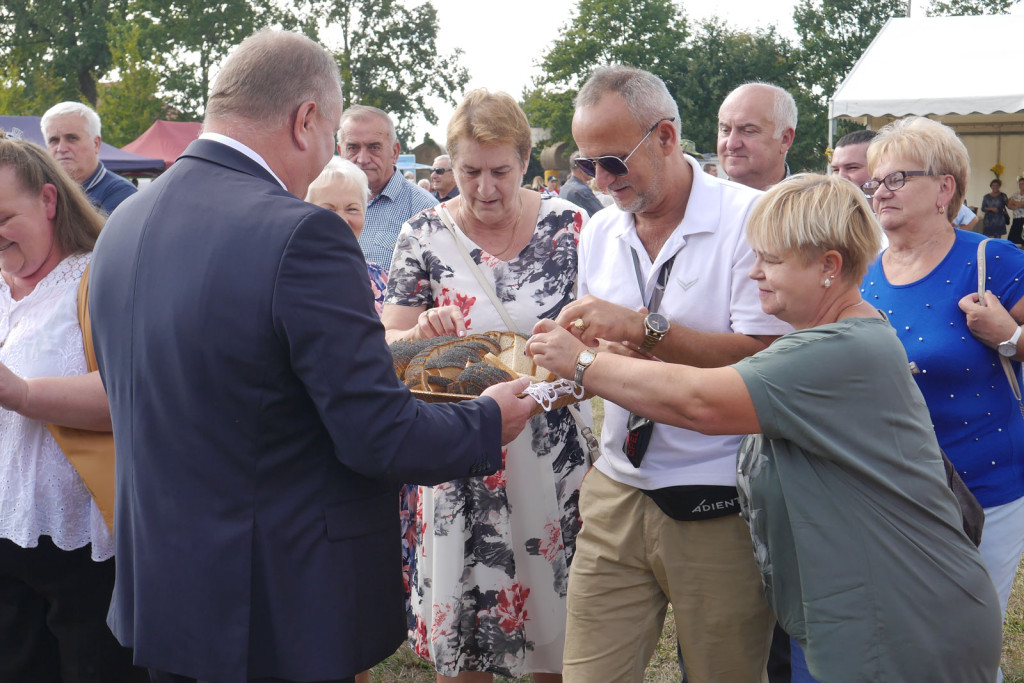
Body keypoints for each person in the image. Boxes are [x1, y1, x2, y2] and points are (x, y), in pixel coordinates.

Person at [88, 30, 534, 683]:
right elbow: (377, 436)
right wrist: (488, 420)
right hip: (276, 603)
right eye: (331, 137)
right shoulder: (303, 234)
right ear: (305, 120)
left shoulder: (124, 222)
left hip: (168, 593)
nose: (330, 158)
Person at [526, 173, 1004, 683]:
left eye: (770, 260)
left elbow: (698, 402)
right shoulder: (843, 336)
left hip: (908, 621)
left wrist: (582, 362)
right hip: (897, 603)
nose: (754, 274)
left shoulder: (834, 351)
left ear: (829, 267)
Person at [557, 65, 790, 683]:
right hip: (617, 486)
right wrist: (588, 358)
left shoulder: (752, 218)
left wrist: (643, 329)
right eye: (586, 167)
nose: (601, 182)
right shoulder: (601, 230)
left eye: (611, 161)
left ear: (666, 136)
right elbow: (602, 347)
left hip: (719, 496)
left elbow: (766, 360)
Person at [381, 89, 591, 682]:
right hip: (459, 452)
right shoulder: (423, 233)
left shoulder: (572, 227)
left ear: (526, 161)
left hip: (551, 454)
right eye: (469, 171)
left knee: (559, 633)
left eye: (500, 171)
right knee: (468, 636)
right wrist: (422, 332)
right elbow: (390, 345)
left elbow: (602, 340)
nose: (484, 188)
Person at [861, 116, 1024, 681]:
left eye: (897, 178)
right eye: (875, 182)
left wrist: (1010, 336)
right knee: (901, 639)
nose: (880, 191)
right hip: (887, 489)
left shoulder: (995, 261)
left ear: (945, 188)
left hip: (983, 489)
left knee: (962, 644)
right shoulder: (863, 272)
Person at [0, 135, 145, 682]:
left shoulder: (101, 277)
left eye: (4, 216)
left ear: (49, 200)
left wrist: (23, 393)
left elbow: (134, 394)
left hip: (85, 541)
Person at [337, 105, 437, 269]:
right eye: (352, 148)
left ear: (394, 152)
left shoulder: (424, 211)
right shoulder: (321, 201)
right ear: (340, 152)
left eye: (374, 147)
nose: (362, 159)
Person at [306, 157, 387, 315]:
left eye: (352, 209)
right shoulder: (292, 278)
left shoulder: (381, 278)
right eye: (328, 210)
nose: (342, 220)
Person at [40, 102, 137, 214]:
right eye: (53, 140)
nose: (61, 148)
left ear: (96, 144)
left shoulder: (122, 194)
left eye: (72, 138)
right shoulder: (39, 191)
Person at [717, 83, 796, 191]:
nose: (731, 144)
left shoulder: (814, 207)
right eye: (725, 130)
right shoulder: (698, 204)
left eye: (748, 131)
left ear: (785, 139)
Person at [561, 150, 605, 217]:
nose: (594, 169)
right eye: (590, 166)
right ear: (581, 168)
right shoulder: (582, 190)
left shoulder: (564, 188)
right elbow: (602, 215)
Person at [1008, 175, 1024, 246]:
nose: (1021, 185)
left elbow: (1023, 204)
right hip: (1016, 219)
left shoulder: (1014, 198)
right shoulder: (1015, 194)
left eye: (1023, 184)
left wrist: (1014, 202)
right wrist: (1018, 204)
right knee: (1012, 239)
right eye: (1020, 184)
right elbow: (1009, 205)